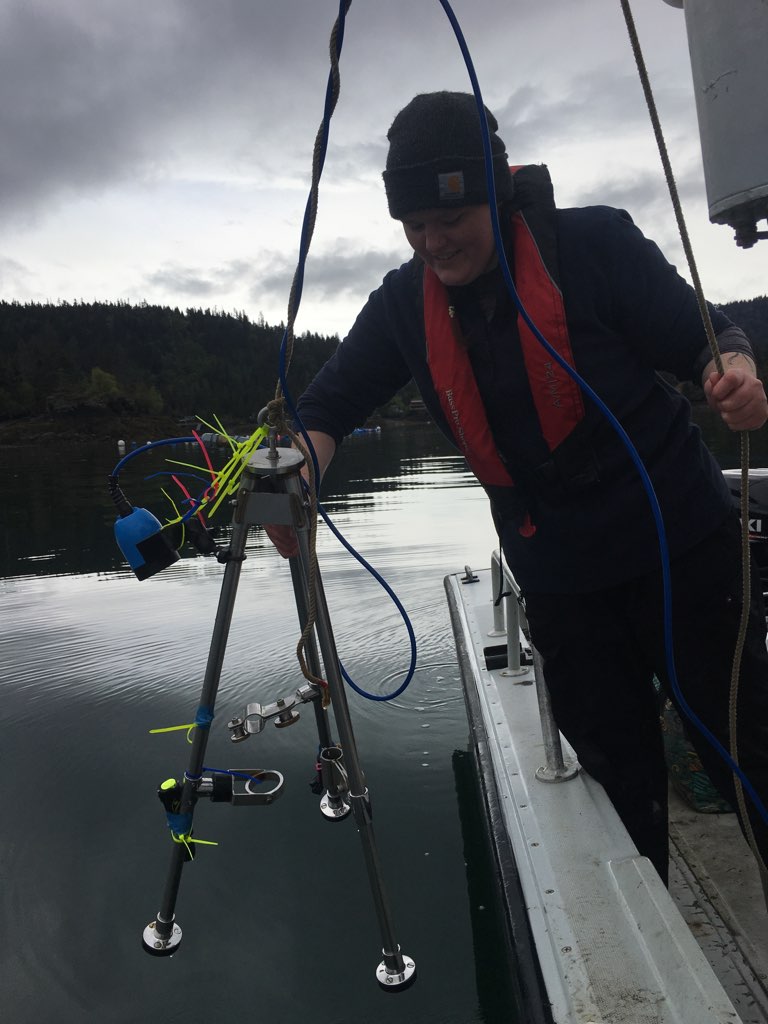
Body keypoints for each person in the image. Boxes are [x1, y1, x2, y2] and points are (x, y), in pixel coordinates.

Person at [270, 90, 768, 886]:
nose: (433, 242)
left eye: (450, 220)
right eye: (414, 225)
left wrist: (734, 375)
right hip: (565, 580)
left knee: (748, 754)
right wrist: (298, 476)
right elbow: (326, 408)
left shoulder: (597, 244)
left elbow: (712, 338)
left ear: (496, 190)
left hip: (683, 551)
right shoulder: (404, 305)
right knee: (619, 783)